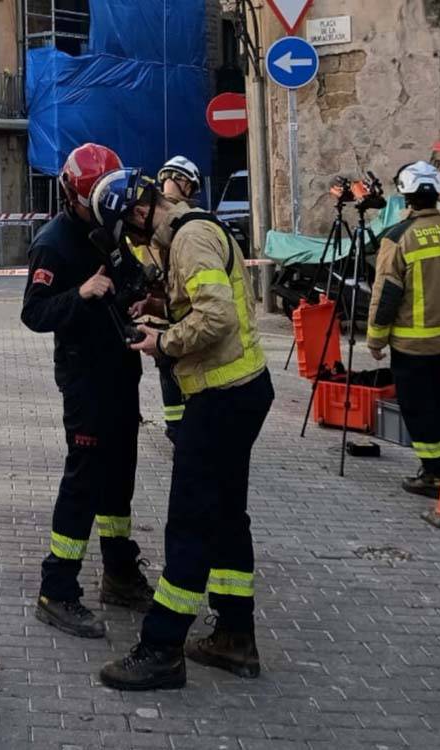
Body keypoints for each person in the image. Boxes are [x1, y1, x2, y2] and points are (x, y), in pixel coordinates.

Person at [89, 167, 274, 690]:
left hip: (220, 399)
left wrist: (162, 343)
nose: (134, 243)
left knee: (190, 521)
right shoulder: (193, 230)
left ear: (140, 212)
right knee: (228, 517)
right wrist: (159, 309)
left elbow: (216, 319)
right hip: (241, 390)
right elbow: (203, 305)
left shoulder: (189, 240)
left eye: (129, 231)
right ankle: (235, 637)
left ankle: (162, 648)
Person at [21, 144, 154, 639]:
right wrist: (79, 294)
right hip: (85, 378)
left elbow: (126, 276)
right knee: (84, 481)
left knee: (119, 477)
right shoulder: (53, 244)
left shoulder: (108, 229)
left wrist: (139, 296)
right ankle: (56, 589)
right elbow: (34, 313)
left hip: (120, 370)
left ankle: (119, 573)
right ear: (72, 197)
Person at [366, 161, 440, 498]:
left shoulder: (398, 238)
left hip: (411, 343)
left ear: (406, 197)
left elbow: (387, 294)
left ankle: (433, 473)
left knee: (418, 408)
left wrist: (376, 338)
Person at [153, 156, 204, 444]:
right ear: (184, 182)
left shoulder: (153, 213)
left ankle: (175, 427)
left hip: (163, 310)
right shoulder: (184, 219)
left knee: (168, 372)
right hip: (178, 310)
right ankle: (181, 429)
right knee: (180, 372)